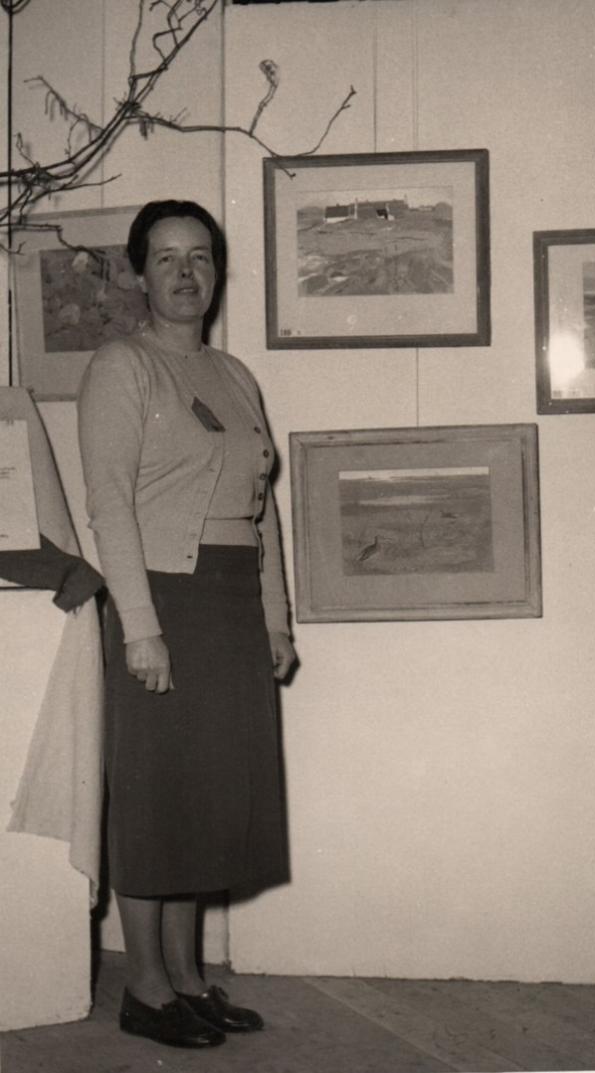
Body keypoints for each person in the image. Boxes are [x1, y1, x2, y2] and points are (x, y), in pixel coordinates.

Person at [77, 199, 297, 1049]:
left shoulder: (236, 375)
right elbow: (109, 503)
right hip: (162, 598)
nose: (184, 272)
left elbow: (261, 513)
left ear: (217, 270)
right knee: (155, 798)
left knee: (208, 799)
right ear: (139, 275)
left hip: (232, 603)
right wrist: (140, 625)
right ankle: (144, 985)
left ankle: (190, 979)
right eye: (165, 257)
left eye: (199, 256)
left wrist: (274, 620)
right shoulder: (122, 367)